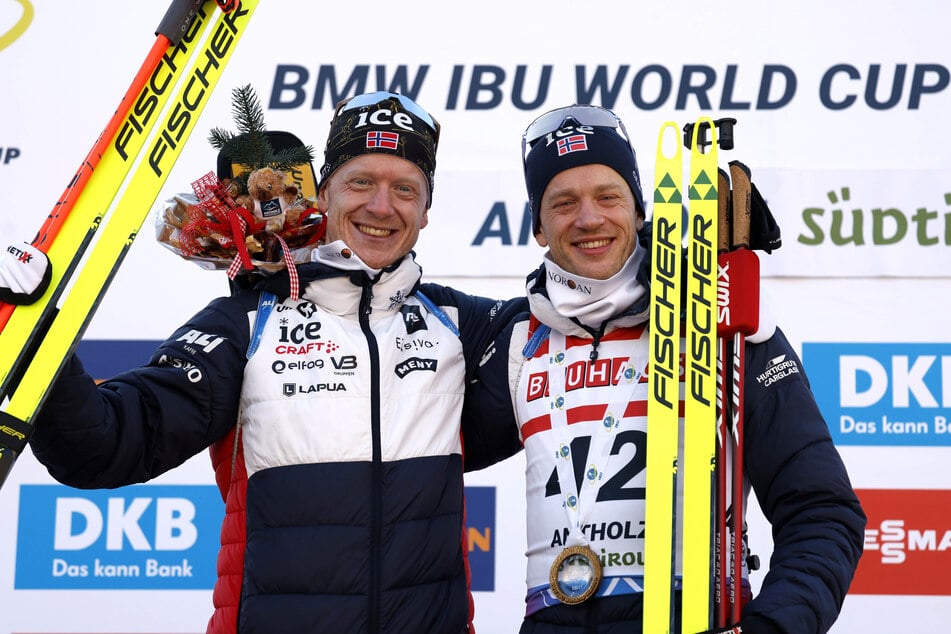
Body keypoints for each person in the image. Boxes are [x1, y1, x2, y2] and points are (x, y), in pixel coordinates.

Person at [11, 92, 522, 633]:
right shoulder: (245, 323)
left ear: (425, 210)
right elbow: (103, 444)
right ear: (324, 193)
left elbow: (581, 329)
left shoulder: (461, 325)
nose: (380, 206)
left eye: (404, 189)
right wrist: (36, 331)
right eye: (360, 182)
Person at [468, 105, 866, 633]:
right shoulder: (520, 339)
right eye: (563, 203)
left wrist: (772, 627)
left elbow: (823, 511)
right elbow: (399, 457)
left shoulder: (723, 323)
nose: (589, 219)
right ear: (539, 228)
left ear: (638, 210)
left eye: (608, 197)